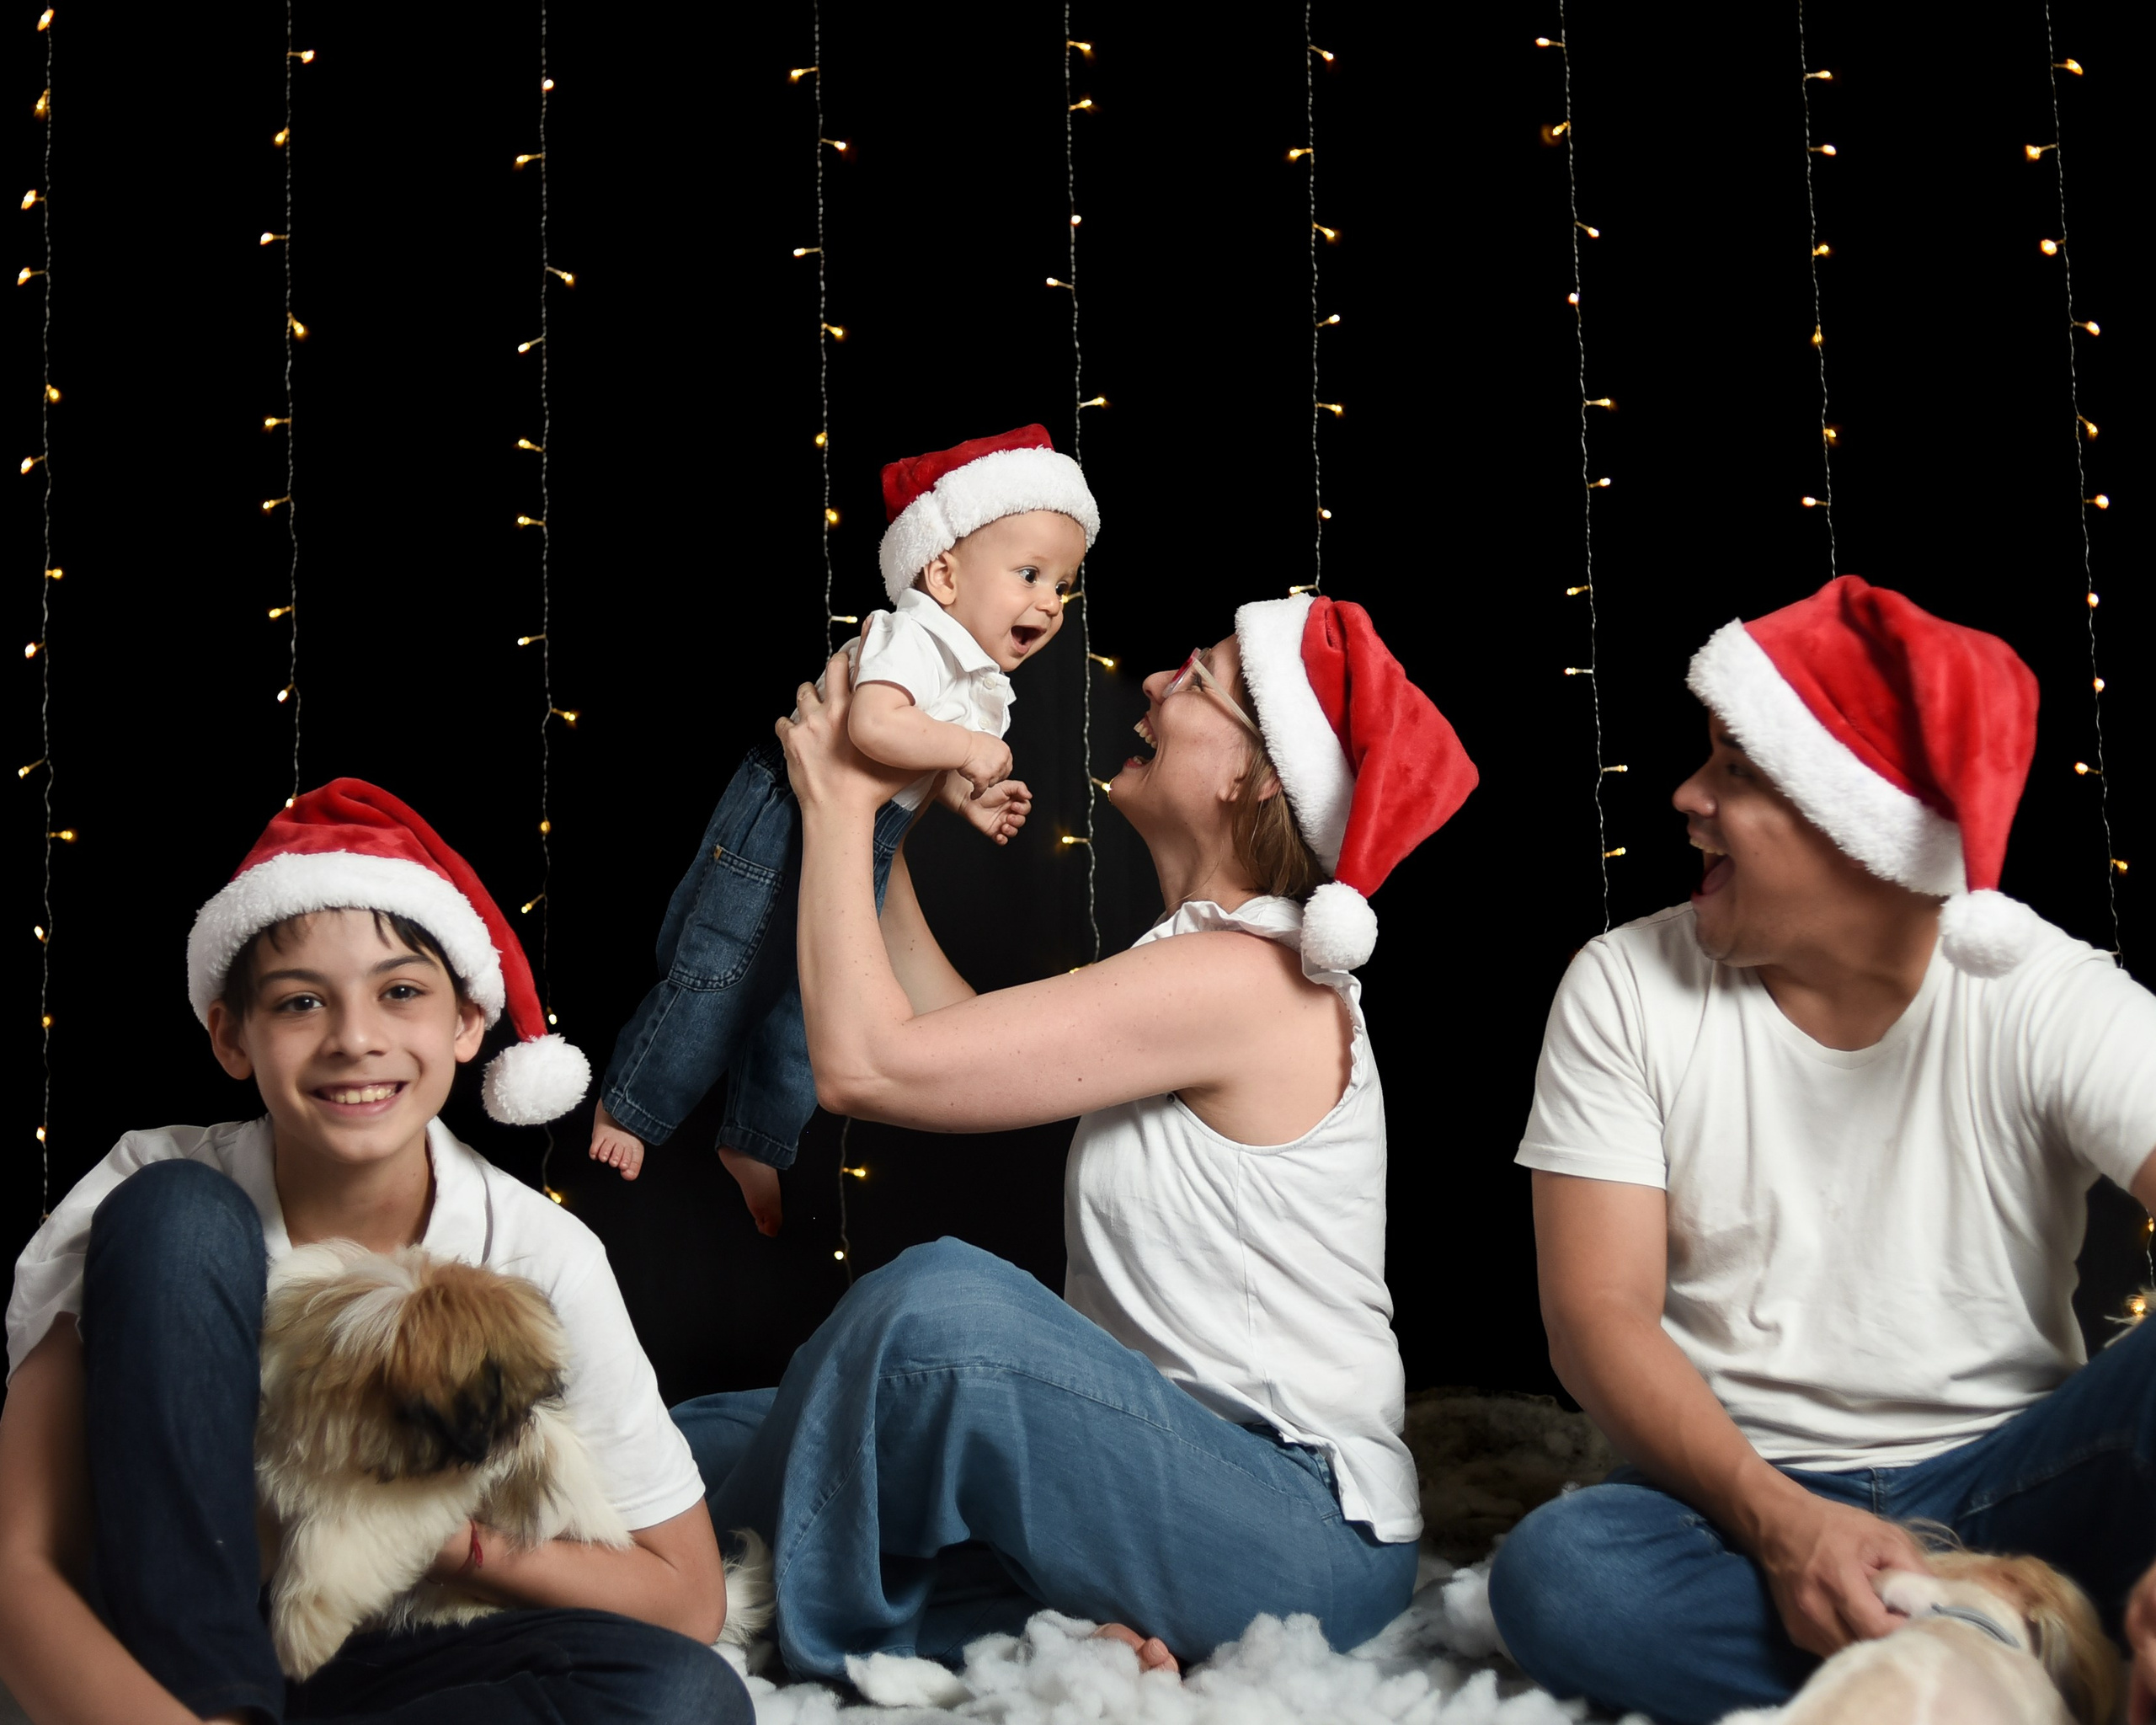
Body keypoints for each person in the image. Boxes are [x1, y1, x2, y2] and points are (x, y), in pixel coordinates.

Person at [670, 591, 1480, 1679]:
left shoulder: (1254, 977)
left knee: (934, 1319)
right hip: (1149, 1463)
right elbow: (939, 1030)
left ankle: (718, 1597)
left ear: (1259, 774)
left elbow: (866, 1063)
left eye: (1196, 680)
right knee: (707, 1436)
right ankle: (1002, 1627)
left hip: (1292, 1528)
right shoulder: (1197, 953)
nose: (1153, 682)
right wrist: (886, 813)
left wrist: (832, 803)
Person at [1486, 576, 2156, 1725]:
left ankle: (1961, 1637)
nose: (1688, 798)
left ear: (1861, 831)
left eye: (1737, 774)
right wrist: (1781, 1523)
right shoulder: (1622, 986)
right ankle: (2005, 1642)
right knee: (1567, 1579)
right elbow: (1597, 1314)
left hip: (2019, 1478)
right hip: (1736, 1501)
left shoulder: (2044, 993)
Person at [0, 780, 750, 1725]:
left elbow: (686, 1599)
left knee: (685, 1695)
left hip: (398, 1652)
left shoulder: (537, 1249)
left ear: (467, 1022)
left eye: (401, 991)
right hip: (162, 1655)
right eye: (300, 1001)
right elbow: (20, 1564)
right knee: (177, 1211)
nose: (356, 1038)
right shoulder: (141, 1186)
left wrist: (427, 1532)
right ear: (232, 1035)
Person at [587, 424, 1097, 1236]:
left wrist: (967, 796)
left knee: (810, 999)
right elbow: (872, 726)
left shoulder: (979, 675)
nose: (1048, 601)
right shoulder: (917, 635)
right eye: (1030, 574)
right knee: (723, 967)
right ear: (943, 572)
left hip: (864, 832)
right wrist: (968, 749)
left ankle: (757, 1138)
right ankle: (632, 1104)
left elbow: (912, 769)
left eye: (1064, 585)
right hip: (784, 813)